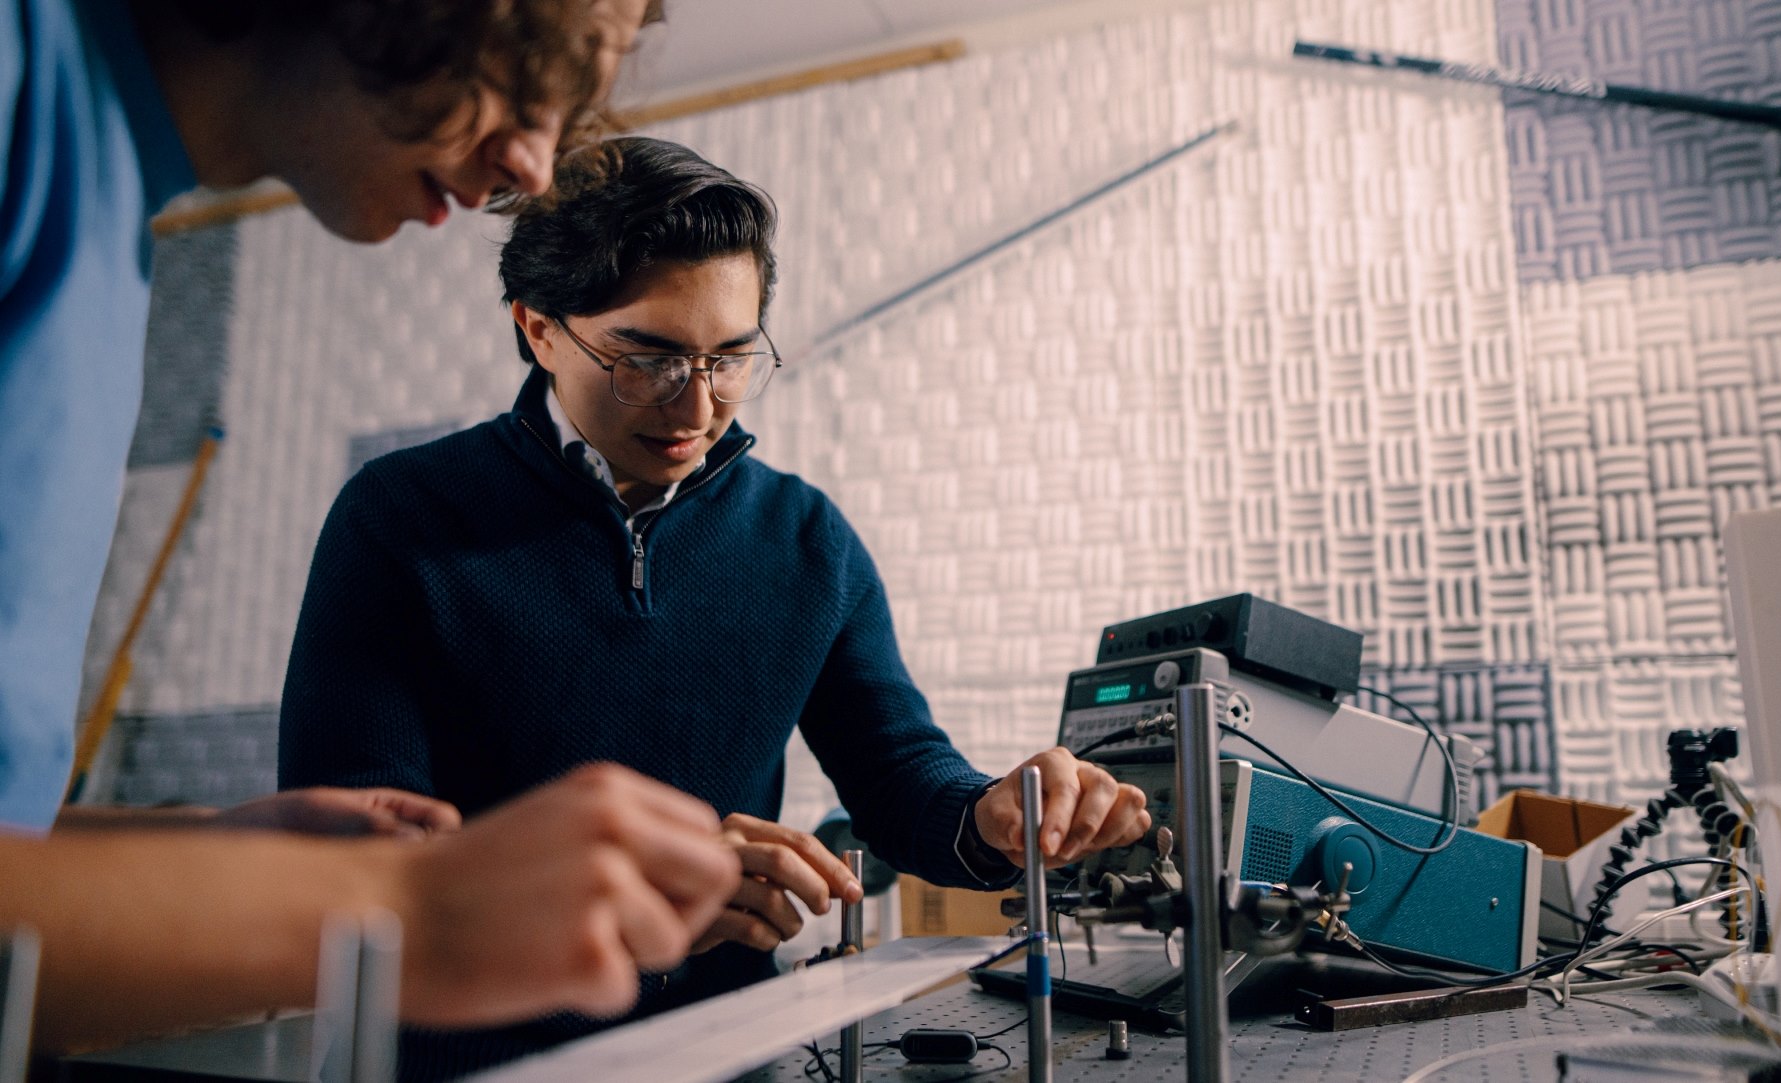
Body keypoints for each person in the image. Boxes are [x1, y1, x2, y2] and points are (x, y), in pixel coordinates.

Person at [277, 135, 1155, 1081]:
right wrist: (637, 885)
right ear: (538, 328)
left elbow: (900, 778)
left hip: (722, 1054)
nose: (697, 406)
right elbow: (356, 849)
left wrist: (996, 818)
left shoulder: (807, 540)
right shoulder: (402, 517)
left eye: (732, 357)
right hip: (460, 1055)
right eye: (647, 359)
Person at [0, 0, 743, 1057]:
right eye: (516, 70)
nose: (533, 166)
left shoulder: (113, 218)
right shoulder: (21, 82)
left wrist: (218, 859)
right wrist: (392, 908)